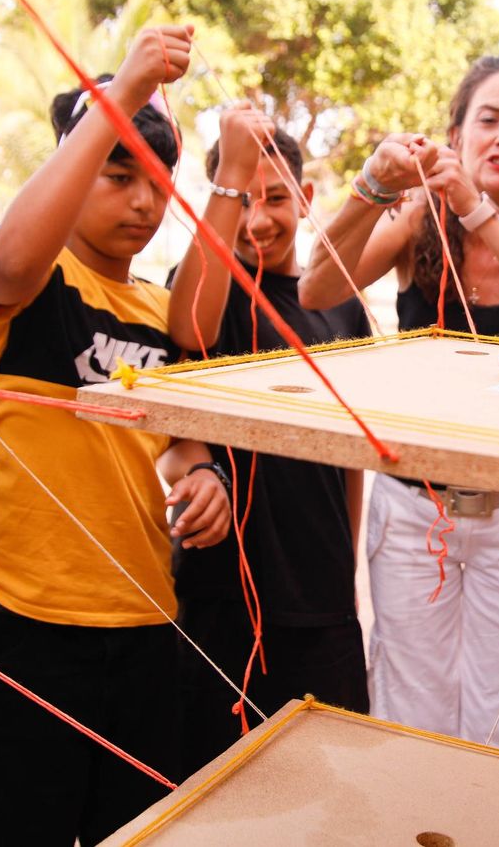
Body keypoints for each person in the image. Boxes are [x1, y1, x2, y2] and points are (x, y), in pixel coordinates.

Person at [0, 25, 233, 846]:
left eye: (157, 183)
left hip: (143, 618)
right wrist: (124, 93)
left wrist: (200, 470)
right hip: (18, 611)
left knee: (133, 831)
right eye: (117, 174)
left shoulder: (158, 311)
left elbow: (175, 438)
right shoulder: (30, 275)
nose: (144, 203)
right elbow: (5, 269)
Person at [300, 53, 499, 754]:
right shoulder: (416, 217)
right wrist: (372, 183)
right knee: (410, 706)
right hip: (412, 508)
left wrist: (478, 209)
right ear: (456, 134)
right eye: (488, 119)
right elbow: (317, 289)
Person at [169, 125, 372, 775]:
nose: (259, 219)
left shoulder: (337, 307)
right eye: (241, 200)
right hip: (220, 595)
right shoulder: (205, 287)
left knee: (331, 788)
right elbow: (188, 332)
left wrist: (346, 578)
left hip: (323, 602)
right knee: (214, 789)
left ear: (307, 196)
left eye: (277, 199)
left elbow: (351, 460)